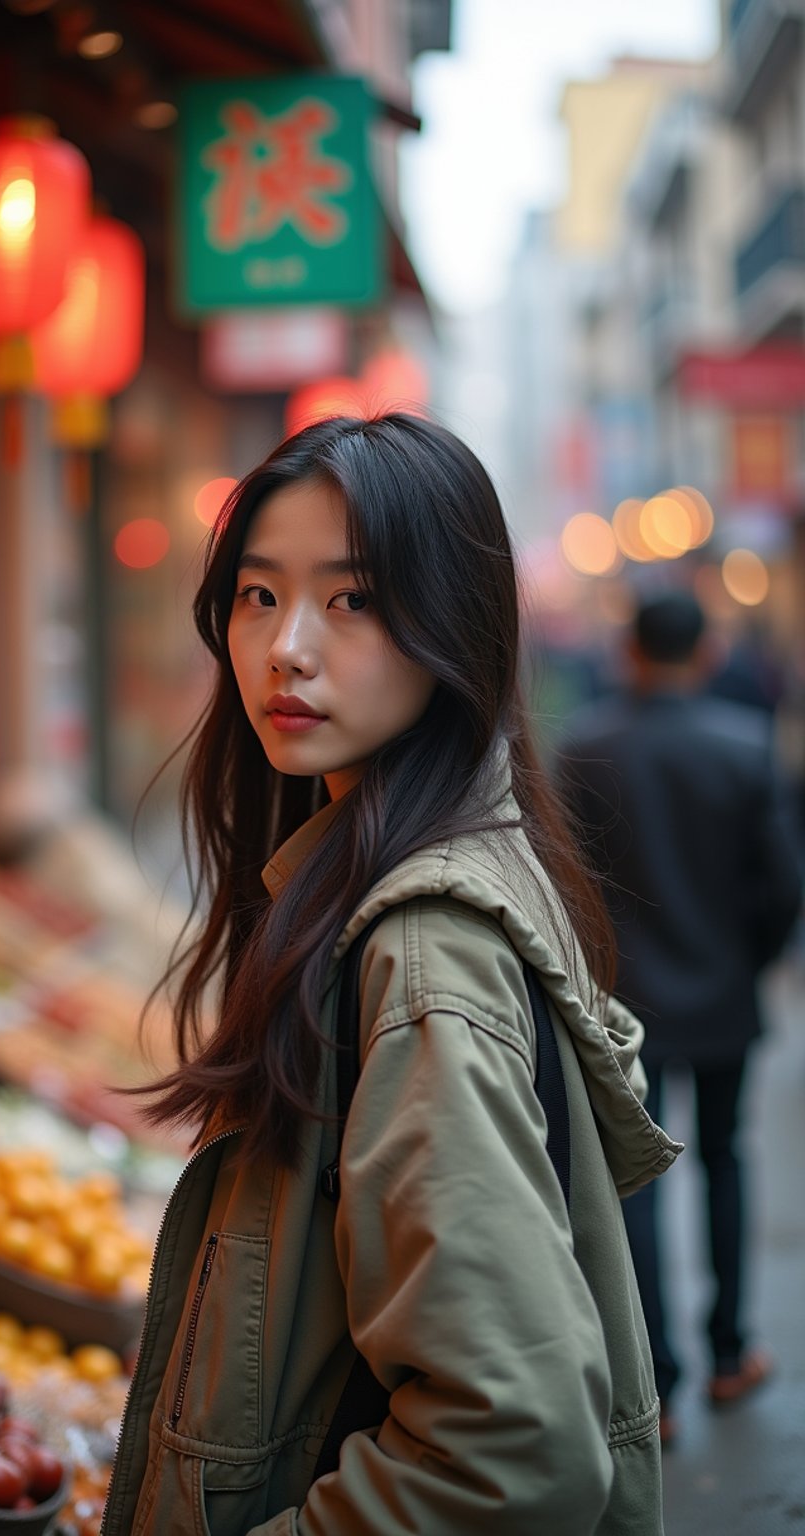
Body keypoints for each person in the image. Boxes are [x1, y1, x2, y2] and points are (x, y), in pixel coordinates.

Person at [103, 414, 680, 1536]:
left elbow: (511, 1456)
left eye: (352, 600)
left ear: (450, 627)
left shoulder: (418, 955)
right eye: (258, 595)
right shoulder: (378, 871)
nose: (287, 648)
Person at [555, 591, 802, 1444]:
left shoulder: (582, 749)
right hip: (725, 994)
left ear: (628, 651)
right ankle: (731, 1353)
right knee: (727, 1159)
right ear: (704, 651)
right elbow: (783, 887)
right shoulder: (744, 747)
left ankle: (650, 1380)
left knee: (634, 1185)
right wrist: (751, 965)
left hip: (626, 1001)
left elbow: (565, 886)